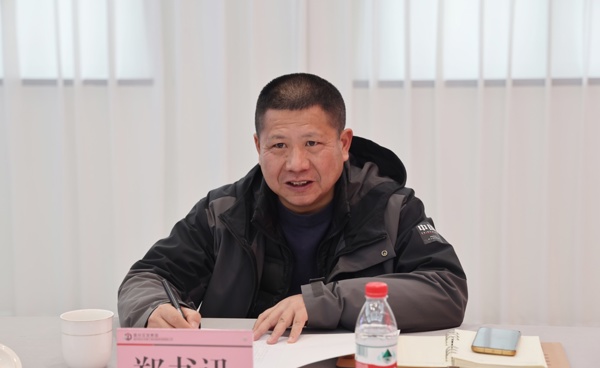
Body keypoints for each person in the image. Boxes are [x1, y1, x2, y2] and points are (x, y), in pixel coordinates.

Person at [118, 72, 468, 344]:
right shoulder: (222, 214)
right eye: (279, 146)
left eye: (312, 143)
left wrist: (323, 302)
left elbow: (446, 290)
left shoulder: (390, 207)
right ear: (258, 146)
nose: (296, 164)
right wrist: (152, 309)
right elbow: (146, 278)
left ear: (344, 143)